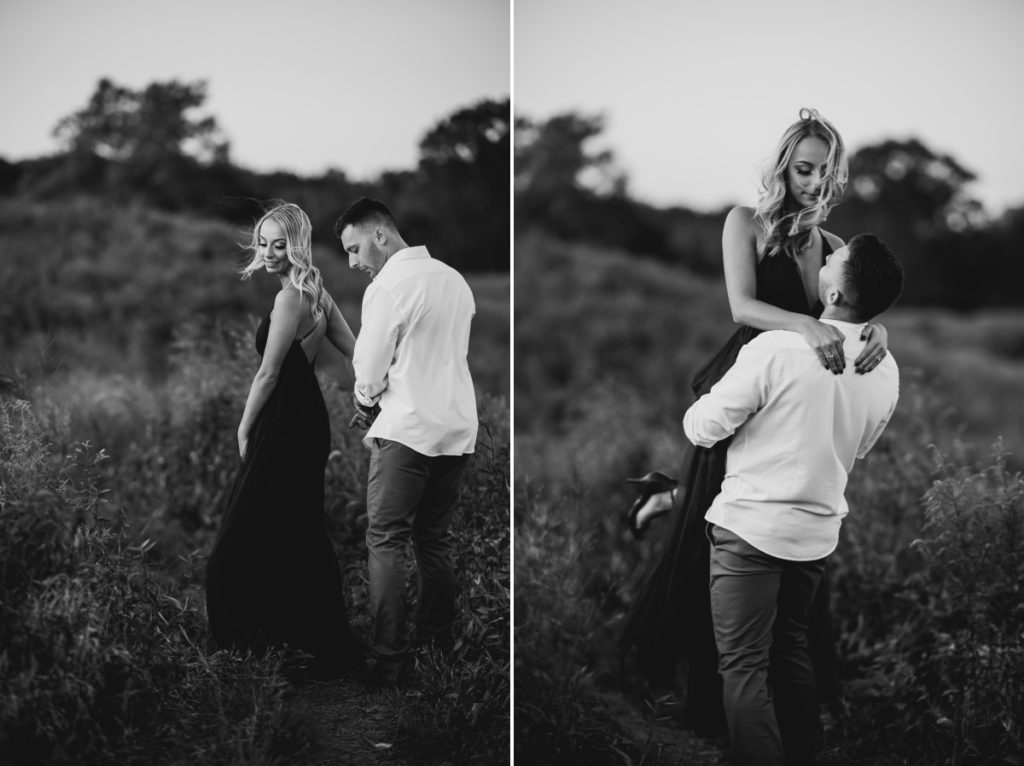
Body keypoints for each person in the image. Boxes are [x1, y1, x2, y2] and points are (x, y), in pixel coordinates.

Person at [620, 108, 891, 736]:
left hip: (798, 397)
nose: (816, 183)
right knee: (719, 535)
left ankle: (670, 496)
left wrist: (879, 329)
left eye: (827, 172)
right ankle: (708, 704)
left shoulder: (835, 248)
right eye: (804, 169)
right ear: (783, 167)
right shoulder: (745, 223)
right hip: (751, 378)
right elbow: (742, 305)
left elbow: (855, 306)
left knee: (772, 532)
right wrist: (805, 323)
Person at [688, 233, 903, 765]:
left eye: (834, 260)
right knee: (791, 649)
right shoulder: (886, 368)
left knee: (742, 665)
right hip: (815, 538)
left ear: (833, 294)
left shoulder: (778, 348)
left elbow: (702, 428)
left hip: (750, 531)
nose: (825, 258)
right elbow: (865, 444)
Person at [205, 202, 363, 677]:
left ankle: (250, 648)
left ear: (296, 245)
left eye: (279, 244)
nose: (269, 252)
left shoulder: (291, 297)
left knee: (234, 544)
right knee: (296, 529)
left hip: (284, 421)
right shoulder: (318, 294)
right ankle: (311, 641)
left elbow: (269, 373)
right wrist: (378, 393)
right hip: (307, 422)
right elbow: (359, 354)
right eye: (264, 242)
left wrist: (243, 425)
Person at [334, 198, 478, 685]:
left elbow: (368, 367)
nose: (353, 263)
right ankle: (438, 649)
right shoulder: (454, 279)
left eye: (355, 249)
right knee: (433, 540)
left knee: (386, 539)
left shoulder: (390, 284)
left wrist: (364, 401)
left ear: (380, 235)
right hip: (457, 429)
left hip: (407, 429)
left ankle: (388, 660)